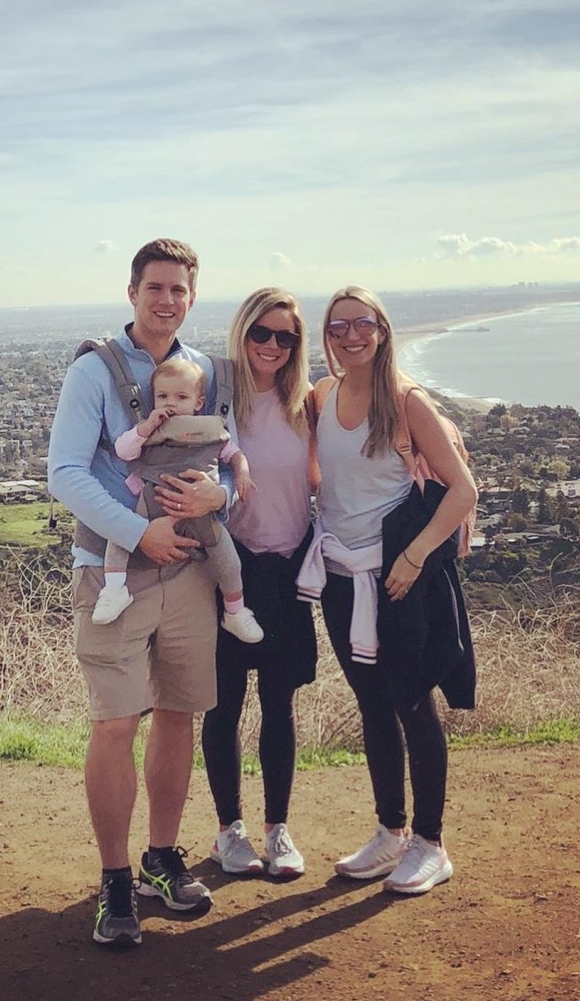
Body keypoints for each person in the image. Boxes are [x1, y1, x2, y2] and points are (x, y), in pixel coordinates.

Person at [48, 238, 230, 948]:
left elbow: (224, 455)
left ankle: (161, 856)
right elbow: (65, 471)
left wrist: (222, 493)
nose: (167, 300)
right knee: (117, 722)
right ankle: (115, 878)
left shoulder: (203, 370)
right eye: (155, 287)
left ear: (192, 296)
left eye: (179, 289)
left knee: (178, 714)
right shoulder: (95, 370)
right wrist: (137, 531)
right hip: (112, 569)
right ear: (132, 292)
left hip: (187, 567)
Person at [300, 285, 477, 895]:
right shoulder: (322, 395)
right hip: (341, 575)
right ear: (328, 336)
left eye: (363, 323)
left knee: (412, 703)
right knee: (372, 704)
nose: (352, 335)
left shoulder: (406, 402)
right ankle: (391, 832)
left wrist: (414, 555)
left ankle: (431, 843)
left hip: (399, 578)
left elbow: (463, 490)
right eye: (339, 326)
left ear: (382, 330)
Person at [200, 289, 318, 879]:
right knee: (223, 705)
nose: (272, 345)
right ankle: (229, 832)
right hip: (229, 571)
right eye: (261, 333)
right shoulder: (216, 399)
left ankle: (277, 829)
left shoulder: (307, 405)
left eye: (285, 337)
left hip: (288, 567)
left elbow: (368, 426)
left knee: (279, 703)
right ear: (242, 332)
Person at [92, 355, 263, 644]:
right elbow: (124, 451)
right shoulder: (151, 429)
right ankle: (114, 589)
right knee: (119, 536)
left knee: (228, 560)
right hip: (152, 504)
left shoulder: (212, 430)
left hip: (201, 513)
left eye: (181, 397)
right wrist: (145, 428)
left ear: (198, 402)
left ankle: (235, 611)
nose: (171, 403)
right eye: (163, 396)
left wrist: (242, 476)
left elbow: (235, 455)